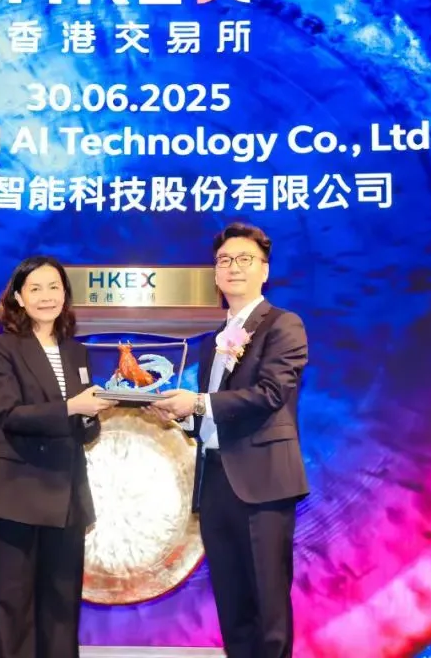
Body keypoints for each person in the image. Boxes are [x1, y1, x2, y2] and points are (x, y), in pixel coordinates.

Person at [149, 222, 309, 658]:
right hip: (217, 481)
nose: (233, 267)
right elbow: (216, 414)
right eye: (224, 260)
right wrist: (181, 415)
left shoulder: (283, 325)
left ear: (265, 270)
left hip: (262, 483)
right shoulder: (214, 342)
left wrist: (198, 402)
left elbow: (271, 394)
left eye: (244, 259)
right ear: (215, 274)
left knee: (268, 607)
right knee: (233, 607)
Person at [0, 255, 114, 658]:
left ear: (65, 295)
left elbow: (82, 428)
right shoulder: (2, 349)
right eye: (35, 288)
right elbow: (9, 414)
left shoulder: (76, 352)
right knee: (14, 609)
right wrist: (73, 408)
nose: (46, 296)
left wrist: (93, 415)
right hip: (17, 495)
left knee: (61, 610)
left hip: (67, 497)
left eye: (54, 287)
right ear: (19, 298)